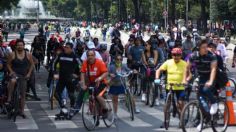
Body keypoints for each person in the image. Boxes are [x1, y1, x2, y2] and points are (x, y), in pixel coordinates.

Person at [186, 40, 218, 131]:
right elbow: (187, 67)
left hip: (212, 77)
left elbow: (213, 70)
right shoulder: (193, 56)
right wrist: (187, 78)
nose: (206, 49)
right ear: (198, 48)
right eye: (203, 47)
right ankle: (204, 120)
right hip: (201, 77)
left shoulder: (211, 56)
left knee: (205, 89)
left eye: (206, 47)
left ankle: (214, 102)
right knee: (200, 101)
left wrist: (211, 81)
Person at [74, 50, 109, 124]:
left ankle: (105, 109)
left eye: (92, 55)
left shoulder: (99, 62)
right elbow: (82, 73)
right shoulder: (85, 63)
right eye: (89, 55)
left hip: (101, 83)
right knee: (91, 99)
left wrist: (99, 78)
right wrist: (83, 84)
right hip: (91, 83)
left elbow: (106, 73)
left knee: (98, 96)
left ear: (94, 56)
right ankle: (95, 116)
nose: (90, 57)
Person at [155, 48, 187, 128]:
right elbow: (158, 70)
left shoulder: (184, 63)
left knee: (180, 104)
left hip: (180, 87)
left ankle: (182, 120)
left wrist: (185, 80)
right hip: (170, 86)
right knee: (167, 105)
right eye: (174, 55)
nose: (176, 57)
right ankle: (165, 121)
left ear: (181, 55)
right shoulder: (168, 62)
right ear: (172, 55)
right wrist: (157, 78)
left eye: (178, 55)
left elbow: (189, 74)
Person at [6, 39, 34, 118]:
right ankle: (9, 97)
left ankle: (22, 112)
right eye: (18, 45)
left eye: (21, 45)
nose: (20, 46)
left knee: (23, 94)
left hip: (24, 75)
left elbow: (32, 65)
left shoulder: (28, 54)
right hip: (14, 74)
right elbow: (8, 64)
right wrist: (11, 71)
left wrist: (29, 74)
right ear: (16, 46)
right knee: (13, 80)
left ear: (23, 46)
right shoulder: (12, 54)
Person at [53, 42, 80, 117]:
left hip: (70, 79)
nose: (65, 48)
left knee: (71, 95)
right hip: (61, 78)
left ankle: (72, 108)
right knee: (56, 94)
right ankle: (63, 108)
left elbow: (81, 67)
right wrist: (55, 73)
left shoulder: (75, 57)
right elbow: (54, 63)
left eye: (67, 47)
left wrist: (77, 76)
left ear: (71, 49)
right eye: (65, 47)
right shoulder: (60, 55)